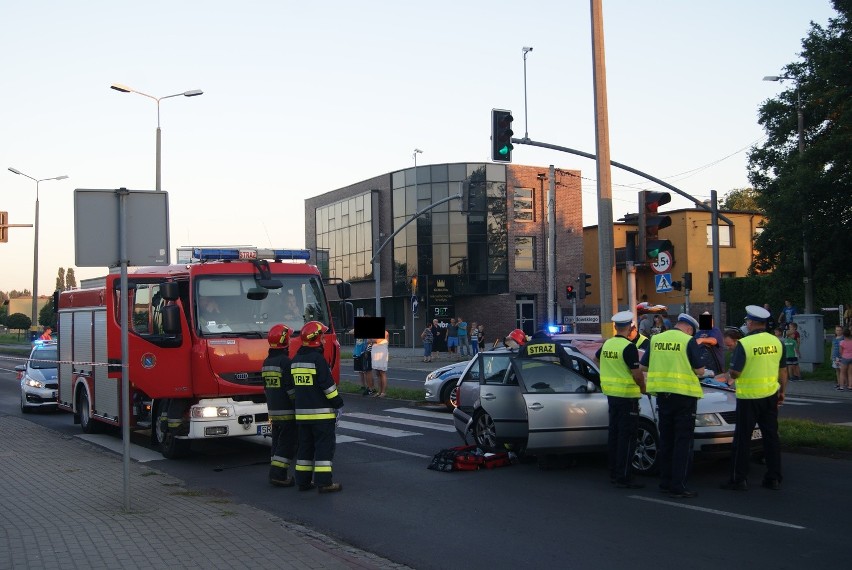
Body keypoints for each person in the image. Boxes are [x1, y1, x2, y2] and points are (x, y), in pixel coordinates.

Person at [721, 305, 787, 492]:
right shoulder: (777, 342)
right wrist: (782, 391)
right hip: (770, 395)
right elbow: (783, 370)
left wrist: (730, 375)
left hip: (749, 397)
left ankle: (738, 479)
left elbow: (735, 371)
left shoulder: (745, 344)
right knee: (771, 437)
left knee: (742, 439)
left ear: (750, 323)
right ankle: (773, 478)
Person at [640, 313, 706, 498]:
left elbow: (644, 367)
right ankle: (678, 485)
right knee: (682, 443)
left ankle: (665, 482)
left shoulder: (656, 339)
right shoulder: (687, 341)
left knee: (666, 440)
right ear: (689, 328)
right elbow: (699, 370)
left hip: (663, 396)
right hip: (684, 398)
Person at [291, 321, 344, 493]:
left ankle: (303, 482)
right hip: (321, 416)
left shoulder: (295, 360)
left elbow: (293, 389)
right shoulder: (318, 360)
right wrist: (338, 404)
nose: (324, 340)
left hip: (302, 417)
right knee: (323, 449)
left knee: (304, 449)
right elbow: (328, 387)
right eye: (322, 337)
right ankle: (324, 483)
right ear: (315, 339)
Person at [595, 311, 646, 489]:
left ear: (615, 327)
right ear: (631, 328)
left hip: (611, 395)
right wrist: (643, 388)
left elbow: (595, 358)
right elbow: (637, 375)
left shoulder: (608, 344)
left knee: (614, 434)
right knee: (628, 437)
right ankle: (624, 475)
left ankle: (614, 471)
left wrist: (609, 372)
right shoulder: (629, 347)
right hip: (627, 397)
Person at [261, 324, 298, 487]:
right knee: (287, 444)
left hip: (274, 411)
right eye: (288, 338)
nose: (290, 341)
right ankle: (278, 475)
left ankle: (274, 472)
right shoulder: (285, 362)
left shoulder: (267, 362)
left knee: (276, 444)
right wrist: (299, 404)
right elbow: (291, 390)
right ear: (284, 342)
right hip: (287, 412)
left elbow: (266, 387)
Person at [371, 330, 390, 397]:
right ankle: (379, 391)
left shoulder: (385, 332)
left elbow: (377, 340)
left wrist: (371, 340)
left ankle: (383, 392)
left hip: (382, 353)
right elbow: (368, 341)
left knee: (382, 372)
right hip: (375, 352)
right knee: (377, 373)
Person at [831, 325, 844, 390]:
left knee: (842, 371)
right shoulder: (834, 338)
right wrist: (831, 356)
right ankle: (839, 383)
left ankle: (842, 384)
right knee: (837, 371)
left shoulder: (843, 339)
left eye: (840, 330)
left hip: (841, 358)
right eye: (837, 330)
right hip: (835, 357)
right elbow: (833, 348)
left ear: (842, 331)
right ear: (835, 331)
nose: (838, 332)